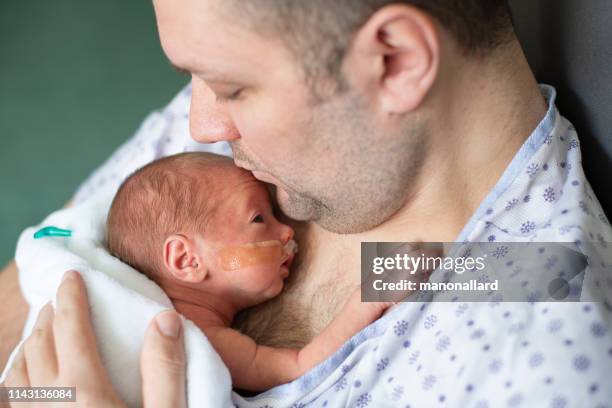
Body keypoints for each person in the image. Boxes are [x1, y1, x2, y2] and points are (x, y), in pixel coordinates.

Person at [2, 0, 611, 406]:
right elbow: (30, 306)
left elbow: (451, 272)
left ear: (394, 60)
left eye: (231, 88)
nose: (199, 122)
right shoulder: (223, 142)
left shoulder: (533, 317)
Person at [106, 152, 397, 390]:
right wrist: (369, 298)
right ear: (186, 260)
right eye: (258, 218)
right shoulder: (202, 339)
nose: (286, 231)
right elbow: (299, 365)